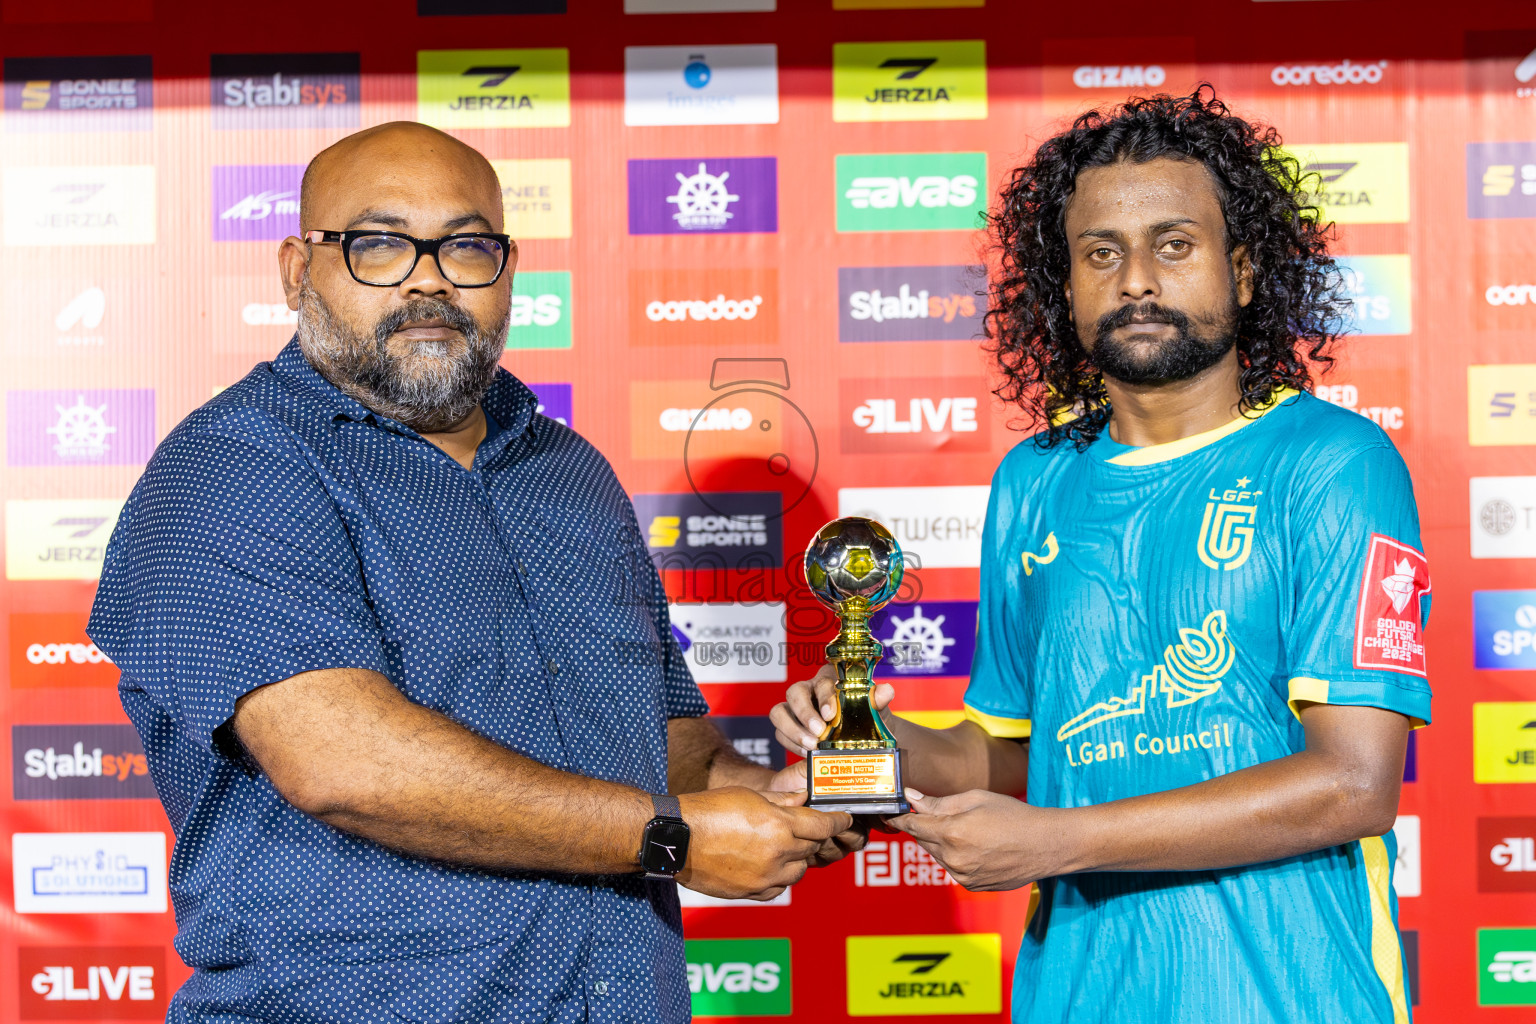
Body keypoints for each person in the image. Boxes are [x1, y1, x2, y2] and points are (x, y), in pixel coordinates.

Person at [89, 121, 855, 1024]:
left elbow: (660, 734)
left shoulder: (570, 472)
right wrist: (675, 838)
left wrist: (756, 792)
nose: (428, 278)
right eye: (377, 245)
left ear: (508, 266)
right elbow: (342, 760)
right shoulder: (232, 466)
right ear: (298, 270)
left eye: (465, 245)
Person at [773, 88, 1428, 1024]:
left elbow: (1351, 786)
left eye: (1174, 245)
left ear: (1242, 271)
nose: (1135, 282)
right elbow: (1017, 758)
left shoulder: (1334, 464)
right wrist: (870, 743)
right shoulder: (1033, 480)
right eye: (1101, 254)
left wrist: (1058, 841)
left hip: (1289, 993)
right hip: (1077, 992)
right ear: (1065, 285)